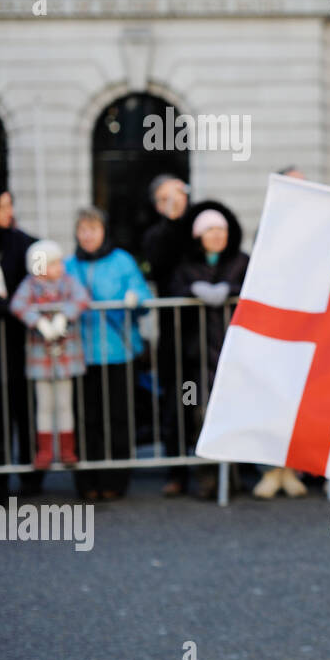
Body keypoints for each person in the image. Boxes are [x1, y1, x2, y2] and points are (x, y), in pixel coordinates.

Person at [65, 207, 154, 499]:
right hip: (81, 353)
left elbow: (142, 295)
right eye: (83, 230)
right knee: (86, 417)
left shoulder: (122, 261)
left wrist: (135, 298)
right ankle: (88, 481)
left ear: (104, 231)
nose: (88, 235)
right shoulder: (68, 266)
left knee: (118, 416)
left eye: (93, 229)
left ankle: (116, 480)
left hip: (118, 352)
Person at [168, 202, 250, 498]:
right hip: (197, 356)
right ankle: (207, 478)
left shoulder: (241, 261)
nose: (217, 235)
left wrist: (227, 290)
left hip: (235, 354)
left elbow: (252, 286)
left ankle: (235, 477)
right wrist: (194, 291)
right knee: (200, 415)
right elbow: (175, 291)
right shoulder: (186, 265)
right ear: (199, 235)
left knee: (234, 414)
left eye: (222, 230)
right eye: (211, 230)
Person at [10, 241, 89, 475]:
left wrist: (64, 316)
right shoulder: (30, 285)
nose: (60, 266)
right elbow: (18, 304)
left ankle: (67, 449)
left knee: (64, 404)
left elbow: (82, 298)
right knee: (44, 405)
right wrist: (40, 321)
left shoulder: (68, 283)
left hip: (66, 356)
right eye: (54, 263)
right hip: (40, 357)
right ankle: (44, 451)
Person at [140, 174, 195, 493]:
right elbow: (159, 264)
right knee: (176, 400)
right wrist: (172, 222)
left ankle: (213, 466)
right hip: (174, 331)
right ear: (159, 204)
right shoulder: (155, 235)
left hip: (206, 330)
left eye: (180, 194)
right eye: (168, 197)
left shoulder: (201, 223)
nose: (177, 201)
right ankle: (177, 470)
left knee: (205, 396)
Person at [0, 188, 37, 499]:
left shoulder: (24, 242)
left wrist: (14, 304)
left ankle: (31, 476)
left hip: (20, 339)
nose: (9, 211)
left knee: (24, 406)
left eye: (11, 205)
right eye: (2, 206)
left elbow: (41, 278)